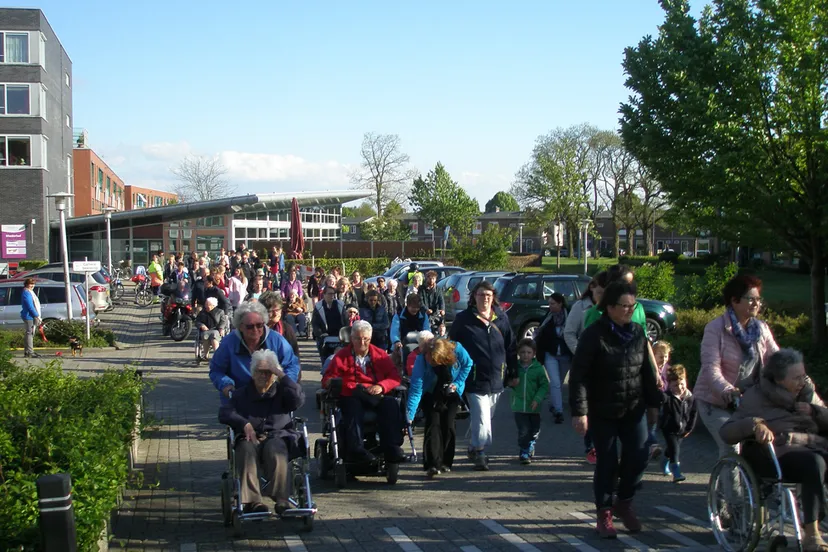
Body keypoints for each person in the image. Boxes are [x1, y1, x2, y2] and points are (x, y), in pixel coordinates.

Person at [570, 281, 662, 538]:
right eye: (625, 306)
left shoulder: (637, 334)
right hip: (602, 410)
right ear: (609, 307)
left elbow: (647, 372)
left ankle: (624, 501)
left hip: (633, 408)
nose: (630, 311)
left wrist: (653, 404)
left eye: (633, 306)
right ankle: (604, 512)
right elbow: (579, 376)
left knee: (639, 455)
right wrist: (580, 412)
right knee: (607, 462)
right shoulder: (593, 335)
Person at [720, 349, 828, 552]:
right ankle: (812, 535)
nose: (801, 381)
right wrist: (754, 424)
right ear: (779, 380)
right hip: (778, 454)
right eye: (796, 378)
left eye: (803, 376)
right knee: (815, 463)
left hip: (812, 444)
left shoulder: (806, 391)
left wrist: (814, 411)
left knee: (818, 459)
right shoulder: (756, 396)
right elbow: (727, 431)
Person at [693, 273, 779, 459]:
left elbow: (777, 360)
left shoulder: (761, 329)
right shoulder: (715, 329)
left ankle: (757, 487)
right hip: (715, 402)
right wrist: (728, 390)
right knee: (731, 448)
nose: (756, 304)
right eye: (751, 299)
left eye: (758, 299)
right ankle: (731, 488)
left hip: (749, 402)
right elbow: (710, 367)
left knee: (767, 445)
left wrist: (795, 377)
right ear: (734, 300)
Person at [219, 349, 305, 515]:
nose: (264, 376)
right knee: (245, 450)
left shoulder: (283, 392)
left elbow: (298, 399)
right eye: (260, 371)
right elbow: (225, 412)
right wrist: (244, 423)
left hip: (277, 436)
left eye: (268, 372)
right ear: (252, 373)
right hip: (250, 438)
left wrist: (280, 373)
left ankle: (281, 499)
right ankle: (253, 501)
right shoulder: (242, 394)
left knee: (277, 448)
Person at [449, 280, 517, 471]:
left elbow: (511, 347)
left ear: (493, 297)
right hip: (474, 378)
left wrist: (513, 371)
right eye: (481, 295)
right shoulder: (464, 319)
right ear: (474, 297)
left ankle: (472, 446)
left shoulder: (501, 318)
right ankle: (479, 452)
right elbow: (452, 346)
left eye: (488, 295)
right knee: (482, 419)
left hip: (497, 378)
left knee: (485, 416)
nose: (485, 299)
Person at [321, 320, 407, 464]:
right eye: (358, 338)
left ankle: (391, 447)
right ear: (352, 338)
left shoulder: (380, 355)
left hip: (375, 394)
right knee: (351, 407)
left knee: (391, 404)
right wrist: (342, 383)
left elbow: (394, 377)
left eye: (365, 339)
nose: (362, 342)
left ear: (370, 338)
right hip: (352, 393)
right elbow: (327, 379)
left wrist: (381, 386)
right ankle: (356, 449)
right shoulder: (341, 356)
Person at [209, 301, 301, 403]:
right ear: (240, 326)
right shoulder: (228, 343)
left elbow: (292, 364)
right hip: (239, 397)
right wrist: (226, 385)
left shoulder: (277, 340)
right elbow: (216, 370)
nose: (255, 329)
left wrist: (286, 384)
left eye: (259, 325)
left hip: (272, 397)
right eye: (250, 326)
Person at [406, 338, 472, 477]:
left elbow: (468, 364)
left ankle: (446, 461)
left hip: (452, 391)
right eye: (430, 359)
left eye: (435, 361)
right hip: (431, 392)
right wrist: (409, 416)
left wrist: (458, 384)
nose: (431, 362)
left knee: (448, 425)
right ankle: (432, 464)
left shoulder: (457, 349)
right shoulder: (421, 360)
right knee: (433, 425)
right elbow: (416, 389)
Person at [563, 271, 609, 464]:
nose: (603, 295)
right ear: (592, 288)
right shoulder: (580, 308)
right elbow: (569, 333)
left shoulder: (612, 310)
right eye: (600, 290)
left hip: (607, 367)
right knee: (589, 407)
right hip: (587, 366)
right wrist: (582, 353)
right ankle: (591, 447)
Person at [507, 339, 549, 465]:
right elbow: (507, 380)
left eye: (529, 352)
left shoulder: (538, 368)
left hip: (533, 406)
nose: (526, 355)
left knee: (535, 429)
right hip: (519, 406)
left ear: (534, 353)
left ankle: (531, 444)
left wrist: (537, 399)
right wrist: (511, 383)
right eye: (523, 352)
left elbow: (544, 385)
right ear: (519, 353)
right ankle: (524, 451)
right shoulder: (515, 368)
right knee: (523, 430)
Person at [535, 292, 570, 424]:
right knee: (555, 383)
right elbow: (540, 334)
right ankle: (559, 411)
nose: (550, 306)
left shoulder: (570, 317)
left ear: (560, 303)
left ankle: (553, 403)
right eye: (549, 303)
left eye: (553, 303)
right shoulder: (547, 318)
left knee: (559, 383)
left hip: (565, 355)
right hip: (550, 354)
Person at [659, 364, 697, 482]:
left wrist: (689, 429)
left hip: (682, 429)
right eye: (676, 385)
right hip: (669, 428)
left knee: (671, 449)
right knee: (675, 450)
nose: (680, 387)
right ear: (669, 385)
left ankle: (664, 460)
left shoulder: (690, 397)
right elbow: (659, 398)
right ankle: (677, 473)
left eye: (682, 384)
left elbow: (693, 414)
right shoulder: (668, 397)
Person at [391, 293, 430, 366]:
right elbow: (394, 332)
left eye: (417, 307)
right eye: (412, 307)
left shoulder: (423, 315)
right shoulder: (399, 316)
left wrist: (426, 340)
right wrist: (396, 341)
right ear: (407, 305)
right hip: (402, 344)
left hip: (420, 343)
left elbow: (427, 329)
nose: (415, 309)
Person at [312, 285, 345, 360]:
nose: (332, 296)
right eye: (330, 294)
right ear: (324, 295)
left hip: (339, 337)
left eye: (333, 294)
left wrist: (344, 335)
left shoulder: (340, 305)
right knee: (325, 360)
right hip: (324, 336)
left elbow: (345, 321)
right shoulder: (318, 306)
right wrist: (320, 334)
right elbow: (315, 323)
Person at [260, 292, 299, 356]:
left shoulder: (287, 329)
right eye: (271, 311)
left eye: (278, 310)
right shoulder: (256, 329)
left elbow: (295, 354)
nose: (275, 314)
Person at [20, 278, 42, 358]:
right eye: (30, 284)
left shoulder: (30, 292)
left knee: (29, 333)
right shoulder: (26, 293)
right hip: (29, 316)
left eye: (33, 284)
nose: (32, 285)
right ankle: (30, 352)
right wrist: (36, 315)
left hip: (31, 315)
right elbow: (30, 306)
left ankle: (27, 351)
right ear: (26, 284)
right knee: (30, 333)